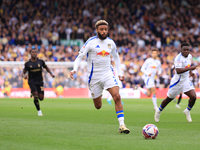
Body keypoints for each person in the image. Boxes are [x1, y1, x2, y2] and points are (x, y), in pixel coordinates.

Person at [70, 20, 130, 134]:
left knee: (117, 96)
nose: (103, 31)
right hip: (94, 77)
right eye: (101, 29)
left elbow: (116, 58)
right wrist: (74, 69)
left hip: (108, 73)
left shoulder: (111, 43)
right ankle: (100, 92)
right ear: (97, 30)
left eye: (105, 29)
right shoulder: (90, 42)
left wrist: (120, 72)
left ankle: (122, 125)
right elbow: (79, 57)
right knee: (98, 106)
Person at [154, 43, 197, 122]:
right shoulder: (178, 58)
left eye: (187, 50)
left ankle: (187, 111)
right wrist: (190, 68)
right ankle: (158, 111)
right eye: (184, 50)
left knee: (193, 96)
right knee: (168, 99)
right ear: (181, 50)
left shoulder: (189, 56)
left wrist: (190, 72)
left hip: (186, 81)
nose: (186, 51)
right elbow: (178, 70)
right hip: (177, 82)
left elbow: (187, 65)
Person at [22, 49, 55, 116]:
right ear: (30, 54)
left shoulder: (41, 61)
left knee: (41, 98)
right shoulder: (28, 63)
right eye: (33, 52)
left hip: (40, 81)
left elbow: (46, 67)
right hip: (32, 81)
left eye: (35, 52)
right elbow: (23, 72)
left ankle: (33, 93)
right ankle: (39, 111)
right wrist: (24, 76)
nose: (34, 53)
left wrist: (51, 73)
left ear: (37, 53)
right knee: (36, 96)